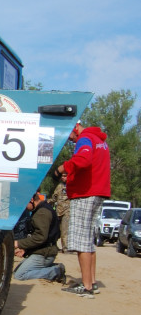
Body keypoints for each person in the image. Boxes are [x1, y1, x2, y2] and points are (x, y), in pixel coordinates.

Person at [57, 120, 111, 297]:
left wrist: (64, 167)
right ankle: (92, 282)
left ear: (75, 127)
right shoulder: (100, 140)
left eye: (69, 135)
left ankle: (86, 287)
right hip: (98, 191)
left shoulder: (85, 139)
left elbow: (83, 160)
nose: (70, 139)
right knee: (88, 240)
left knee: (81, 242)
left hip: (85, 193)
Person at [13, 192, 65, 282]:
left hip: (44, 254)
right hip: (42, 251)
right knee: (16, 272)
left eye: (24, 204)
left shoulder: (42, 213)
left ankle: (56, 271)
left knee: (19, 275)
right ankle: (52, 267)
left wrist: (18, 243)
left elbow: (40, 237)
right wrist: (25, 250)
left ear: (31, 200)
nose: (24, 207)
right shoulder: (41, 209)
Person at [50, 172, 70, 251]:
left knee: (65, 230)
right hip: (58, 211)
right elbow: (54, 197)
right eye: (62, 176)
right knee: (55, 230)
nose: (63, 177)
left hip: (67, 211)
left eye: (65, 176)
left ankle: (65, 247)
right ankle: (53, 245)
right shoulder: (59, 186)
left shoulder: (72, 185)